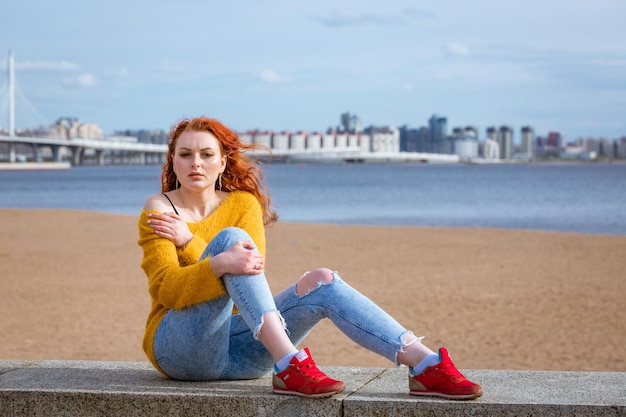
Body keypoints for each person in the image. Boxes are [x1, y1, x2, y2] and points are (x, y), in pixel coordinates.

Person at [137, 116, 483, 400]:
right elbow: (167, 291)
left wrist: (192, 243)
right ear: (173, 161)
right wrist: (217, 262)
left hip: (240, 352)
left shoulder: (242, 204)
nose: (196, 163)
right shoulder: (160, 209)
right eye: (185, 154)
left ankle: (425, 366)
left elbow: (246, 294)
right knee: (233, 243)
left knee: (321, 280)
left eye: (206, 154)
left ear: (223, 161)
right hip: (180, 351)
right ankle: (290, 363)